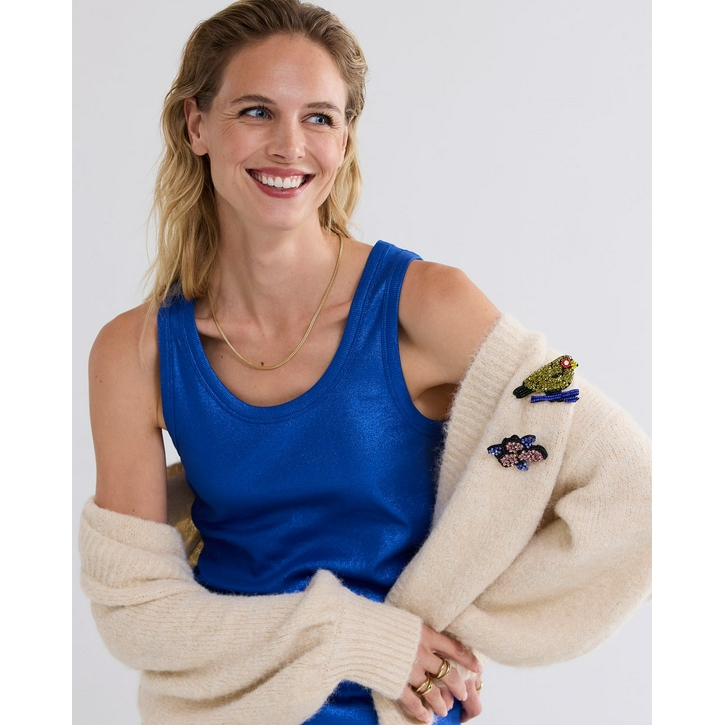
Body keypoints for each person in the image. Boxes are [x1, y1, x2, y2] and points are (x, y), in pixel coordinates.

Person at [79, 1, 651, 724]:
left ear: (344, 139)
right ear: (197, 125)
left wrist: (454, 616)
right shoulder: (135, 350)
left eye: (319, 117)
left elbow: (629, 485)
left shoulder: (427, 302)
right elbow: (136, 612)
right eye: (256, 111)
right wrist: (362, 638)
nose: (289, 145)